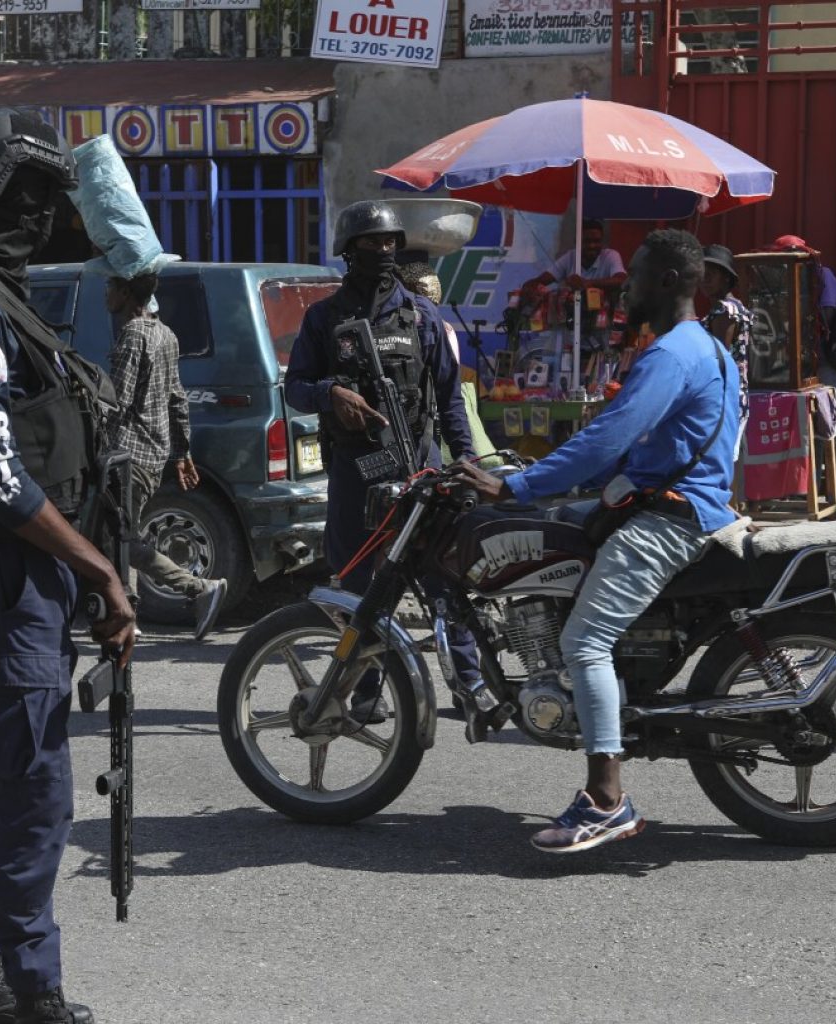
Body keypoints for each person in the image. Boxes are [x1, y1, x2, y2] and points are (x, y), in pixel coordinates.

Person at [450, 228, 739, 853]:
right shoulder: (710, 349)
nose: (623, 285)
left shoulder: (671, 356)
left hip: (670, 518)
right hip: (682, 503)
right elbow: (644, 446)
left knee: (585, 640)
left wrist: (519, 486)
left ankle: (606, 799)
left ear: (665, 282)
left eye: (634, 274)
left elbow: (609, 436)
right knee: (558, 530)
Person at [0, 106, 135, 1024]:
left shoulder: (19, 307)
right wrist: (100, 572)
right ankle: (30, 990)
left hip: (31, 591)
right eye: (25, 192)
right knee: (33, 798)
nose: (40, 216)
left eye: (52, 197)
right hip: (13, 600)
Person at [285, 200, 481, 722]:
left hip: (420, 468)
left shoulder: (422, 317)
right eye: (373, 243)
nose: (385, 251)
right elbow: (296, 389)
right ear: (349, 252)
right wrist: (332, 394)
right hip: (356, 476)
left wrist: (466, 460)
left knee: (444, 578)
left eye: (392, 242)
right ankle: (370, 691)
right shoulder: (324, 319)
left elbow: (449, 398)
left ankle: (471, 687)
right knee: (359, 590)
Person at [103, 273, 227, 640]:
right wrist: (180, 452)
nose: (105, 296)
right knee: (120, 534)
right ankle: (126, 612)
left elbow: (117, 402)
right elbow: (177, 398)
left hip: (128, 454)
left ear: (125, 293)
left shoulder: (133, 335)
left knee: (122, 539)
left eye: (109, 288)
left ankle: (198, 588)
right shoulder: (166, 334)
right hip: (153, 454)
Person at [770, 235, 836, 517]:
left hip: (827, 363)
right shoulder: (792, 280)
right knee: (814, 424)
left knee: (835, 423)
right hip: (807, 363)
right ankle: (819, 487)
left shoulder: (823, 276)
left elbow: (828, 314)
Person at [700, 243, 751, 458]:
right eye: (703, 273)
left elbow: (719, 355)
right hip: (732, 393)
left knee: (718, 459)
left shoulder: (725, 309)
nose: (705, 279)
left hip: (723, 397)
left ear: (727, 279)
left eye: (712, 274)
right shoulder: (733, 306)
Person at [522, 219, 627, 297]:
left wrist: (588, 283)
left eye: (596, 241)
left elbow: (622, 280)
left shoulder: (611, 256)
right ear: (577, 242)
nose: (592, 246)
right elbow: (542, 280)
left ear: (602, 242)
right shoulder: (570, 257)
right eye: (587, 241)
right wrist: (531, 285)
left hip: (604, 320)